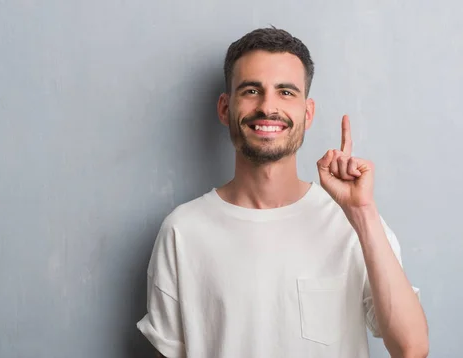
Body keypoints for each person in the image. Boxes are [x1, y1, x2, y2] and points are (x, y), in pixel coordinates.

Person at [136, 27, 429, 358]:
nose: (267, 107)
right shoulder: (182, 231)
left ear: (308, 113)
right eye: (251, 90)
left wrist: (362, 213)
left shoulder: (353, 223)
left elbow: (411, 348)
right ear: (224, 108)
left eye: (286, 92)